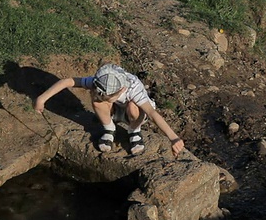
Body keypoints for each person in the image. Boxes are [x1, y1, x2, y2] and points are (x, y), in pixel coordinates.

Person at [34, 63, 185, 157]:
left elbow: (152, 113)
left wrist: (173, 138)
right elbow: (68, 81)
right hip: (116, 110)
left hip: (134, 114)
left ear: (120, 90)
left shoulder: (133, 88)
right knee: (97, 101)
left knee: (134, 106)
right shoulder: (102, 81)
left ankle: (134, 131)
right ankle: (109, 129)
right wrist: (42, 99)